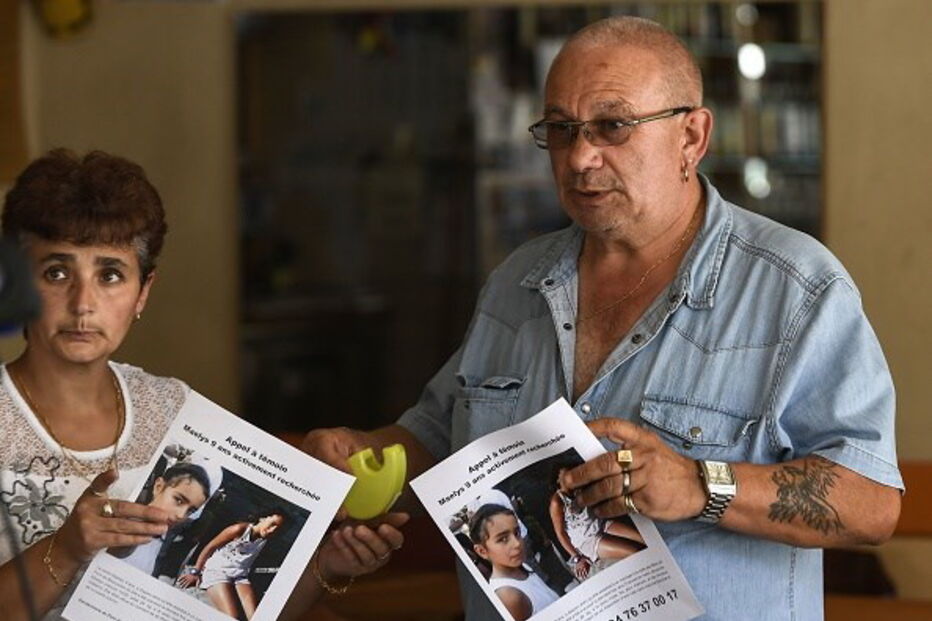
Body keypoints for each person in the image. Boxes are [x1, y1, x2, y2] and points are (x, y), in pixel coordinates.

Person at [303, 16, 902, 621]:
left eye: (613, 126)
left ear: (692, 136)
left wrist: (701, 486)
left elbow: (872, 502)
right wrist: (365, 451)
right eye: (561, 130)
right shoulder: (517, 282)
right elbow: (437, 434)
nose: (580, 157)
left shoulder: (793, 289)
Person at [0, 149, 405, 621]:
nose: (83, 303)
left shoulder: (174, 408)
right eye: (57, 272)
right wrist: (68, 547)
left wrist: (325, 565)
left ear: (142, 292)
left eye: (110, 275)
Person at [175, 509, 287, 619]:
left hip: (239, 576)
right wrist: (195, 571)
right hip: (217, 572)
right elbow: (210, 547)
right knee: (232, 617)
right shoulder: (238, 529)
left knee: (254, 617)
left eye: (277, 529)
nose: (272, 530)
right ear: (262, 518)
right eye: (272, 524)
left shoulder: (265, 539)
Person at [549, 466, 644, 579]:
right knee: (634, 552)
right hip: (587, 539)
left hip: (600, 524)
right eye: (566, 475)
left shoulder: (580, 489)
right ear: (558, 480)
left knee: (642, 538)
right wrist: (577, 558)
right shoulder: (557, 502)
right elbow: (560, 533)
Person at [469, 504, 559, 620]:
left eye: (516, 533)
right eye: (503, 539)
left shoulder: (522, 567)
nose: (517, 543)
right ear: (482, 551)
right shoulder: (508, 596)